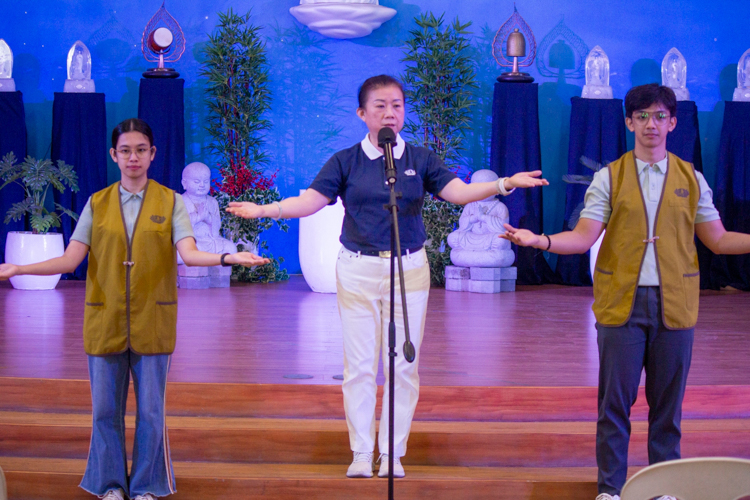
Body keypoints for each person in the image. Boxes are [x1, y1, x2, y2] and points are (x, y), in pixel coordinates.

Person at [225, 74, 548, 479]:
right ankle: (361, 453)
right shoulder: (345, 160)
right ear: (362, 114)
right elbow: (310, 202)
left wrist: (504, 184)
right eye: (379, 106)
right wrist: (265, 210)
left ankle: (392, 453)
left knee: (402, 366)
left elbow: (458, 193)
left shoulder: (420, 159)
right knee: (359, 366)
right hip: (358, 269)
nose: (389, 113)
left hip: (409, 269)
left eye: (396, 105)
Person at [501, 83, 750, 500]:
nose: (650, 124)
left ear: (672, 123)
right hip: (622, 303)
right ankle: (611, 490)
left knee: (667, 410)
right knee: (614, 405)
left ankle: (665, 488)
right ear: (629, 122)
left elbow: (719, 240)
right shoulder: (609, 176)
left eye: (659, 117)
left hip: (676, 304)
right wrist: (539, 240)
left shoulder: (692, 177)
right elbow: (582, 238)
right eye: (642, 117)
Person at [0, 118, 269, 500]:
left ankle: (146, 485)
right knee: (105, 411)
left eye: (141, 150)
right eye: (125, 150)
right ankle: (109, 484)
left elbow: (189, 255)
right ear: (114, 155)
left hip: (153, 317)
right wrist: (19, 268)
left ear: (152, 154)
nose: (133, 158)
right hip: (104, 316)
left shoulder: (171, 201)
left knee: (150, 414)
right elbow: (69, 260)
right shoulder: (97, 202)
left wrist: (229, 257)